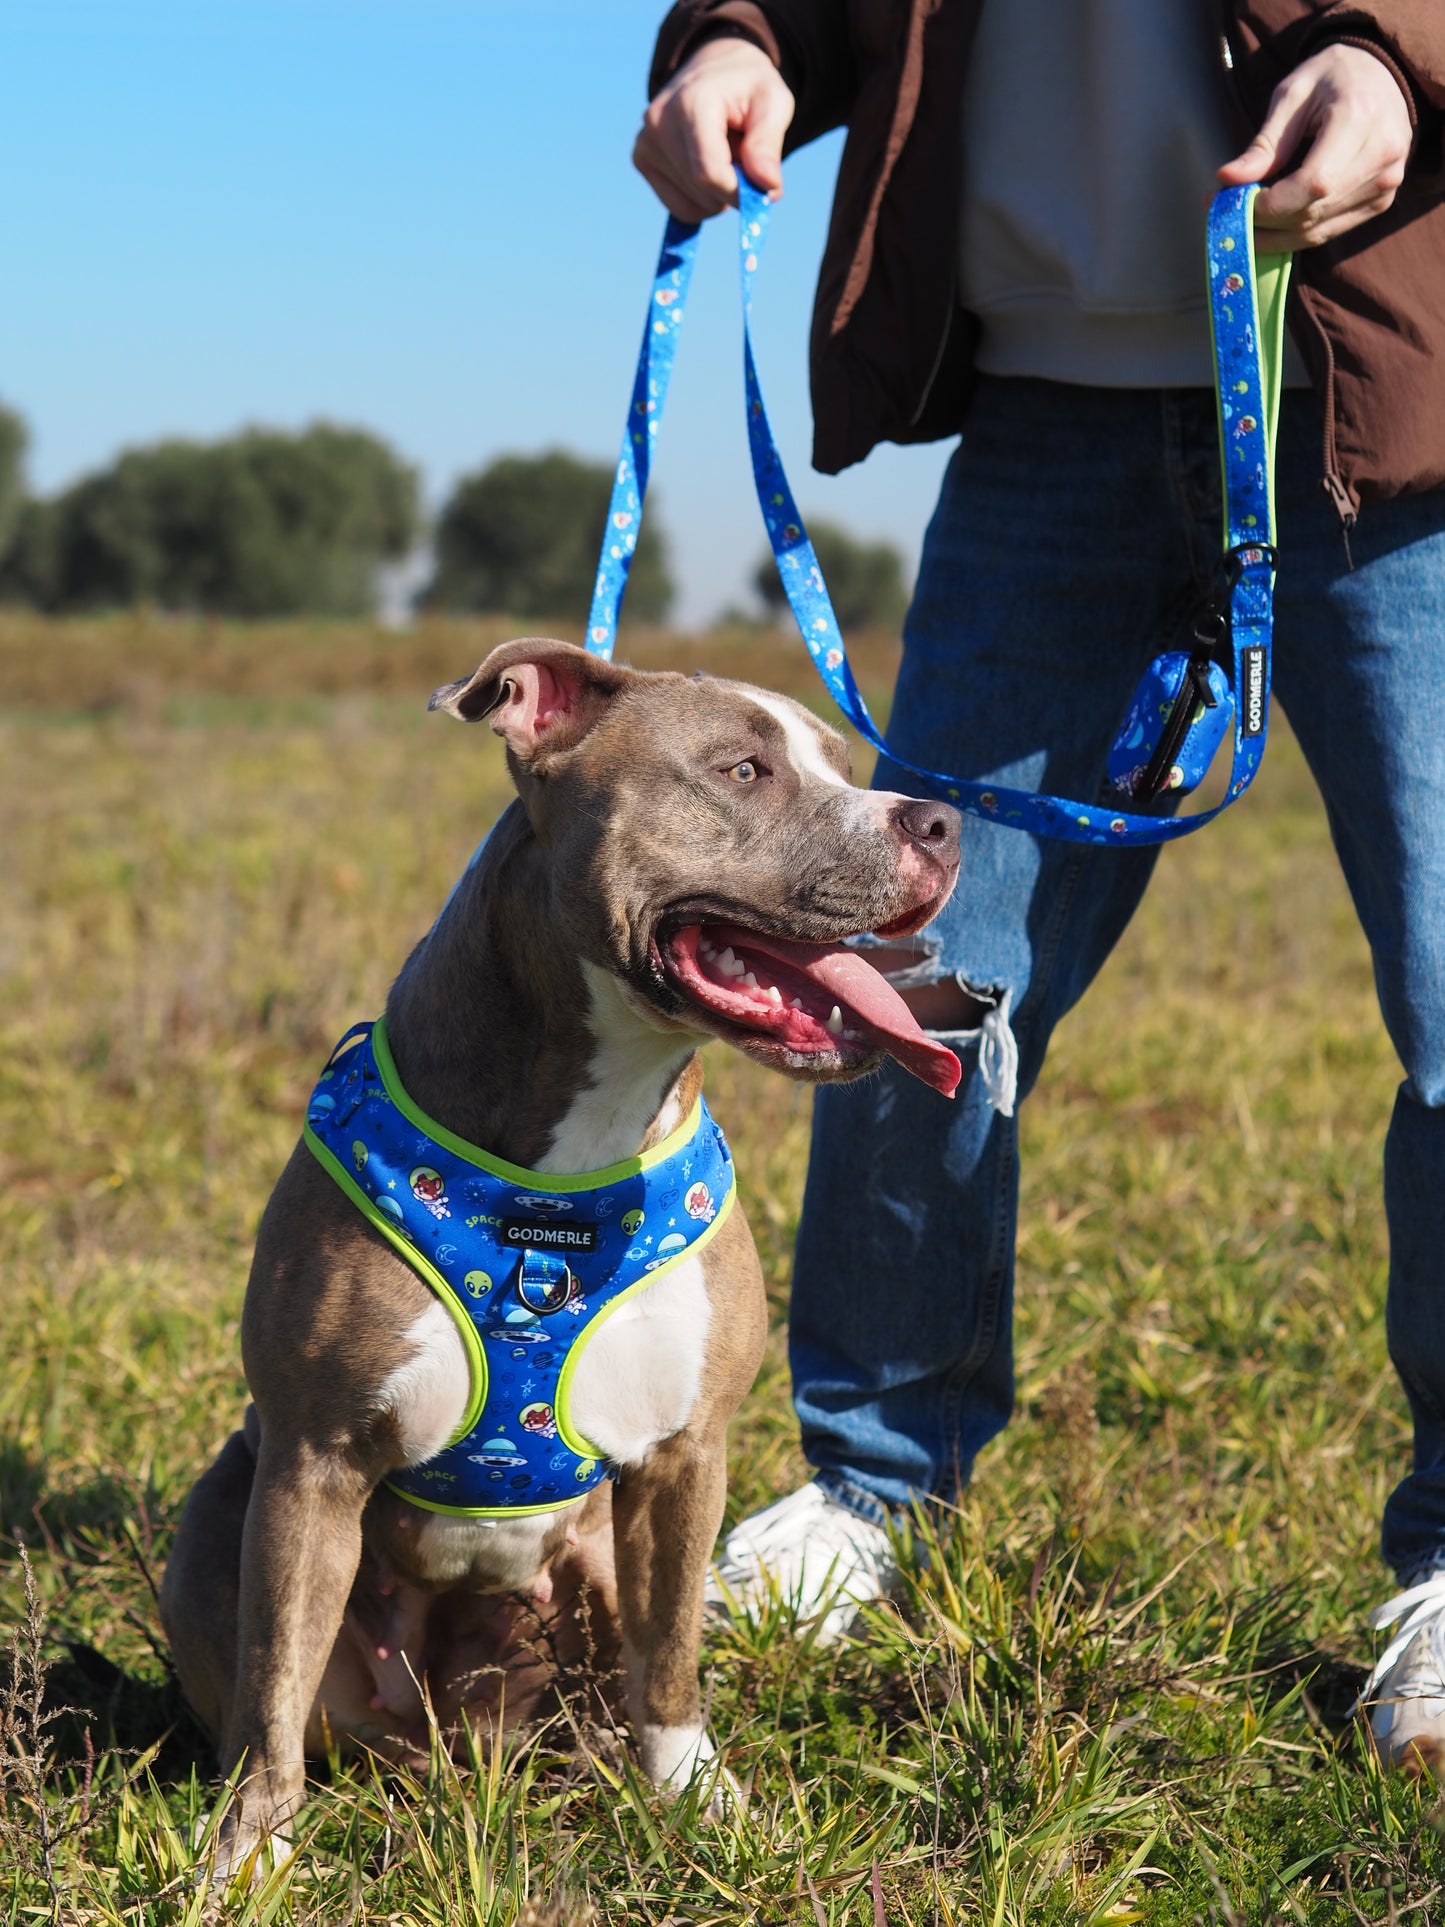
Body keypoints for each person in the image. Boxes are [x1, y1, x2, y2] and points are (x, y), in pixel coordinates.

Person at [635, 1, 1445, 1767]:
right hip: (1046, 418)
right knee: (918, 974)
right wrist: (740, 39)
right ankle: (874, 1488)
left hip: (1384, 402)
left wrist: (1394, 54)